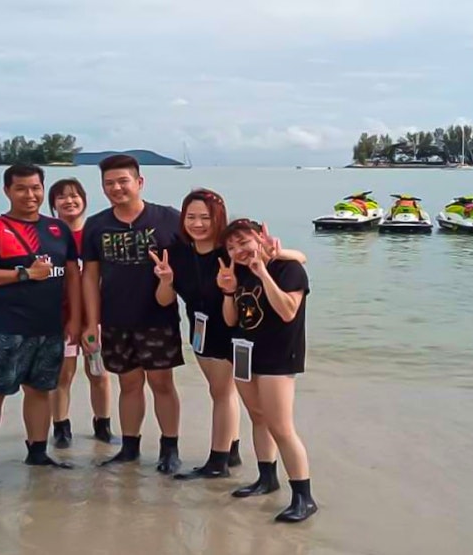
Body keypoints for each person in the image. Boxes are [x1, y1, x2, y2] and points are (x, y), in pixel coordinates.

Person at [149, 188, 307, 481]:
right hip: (200, 330)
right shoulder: (178, 253)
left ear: (218, 218)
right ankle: (232, 451)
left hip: (233, 330)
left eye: (205, 217)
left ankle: (218, 461)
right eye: (191, 217)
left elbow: (296, 259)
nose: (198, 224)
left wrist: (278, 252)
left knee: (223, 394)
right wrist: (167, 280)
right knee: (218, 391)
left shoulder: (230, 249)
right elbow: (164, 300)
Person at [0, 164, 81, 486]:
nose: (30, 195)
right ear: (7, 191)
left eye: (36, 188)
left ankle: (38, 452)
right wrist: (25, 274)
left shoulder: (58, 230)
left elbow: (72, 275)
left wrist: (74, 318)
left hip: (49, 327)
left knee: (41, 391)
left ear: (43, 189)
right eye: (21, 188)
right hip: (3, 327)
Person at [80, 154, 184, 473]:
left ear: (139, 182)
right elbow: (90, 277)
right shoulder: (96, 225)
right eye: (109, 183)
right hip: (115, 320)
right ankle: (129, 447)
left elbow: (202, 250)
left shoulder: (168, 218)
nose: (116, 188)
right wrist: (91, 322)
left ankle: (170, 448)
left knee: (162, 383)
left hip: (158, 317)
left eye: (123, 181)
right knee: (128, 384)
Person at [217, 218, 318, 523]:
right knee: (258, 418)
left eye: (243, 242)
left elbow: (288, 311)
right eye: (231, 247)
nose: (238, 251)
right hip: (245, 353)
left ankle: (303, 497)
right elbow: (231, 320)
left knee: (281, 427)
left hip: (279, 356)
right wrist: (228, 291)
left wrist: (263, 272)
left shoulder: (288, 269)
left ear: (261, 237)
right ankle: (266, 478)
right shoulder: (239, 273)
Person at [46, 177, 113, 447]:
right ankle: (61, 428)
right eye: (61, 196)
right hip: (59, 315)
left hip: (96, 315)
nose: (69, 201)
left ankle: (103, 425)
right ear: (53, 204)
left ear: (84, 200)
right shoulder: (49, 235)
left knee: (98, 372)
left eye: (74, 195)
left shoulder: (95, 233)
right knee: (63, 374)